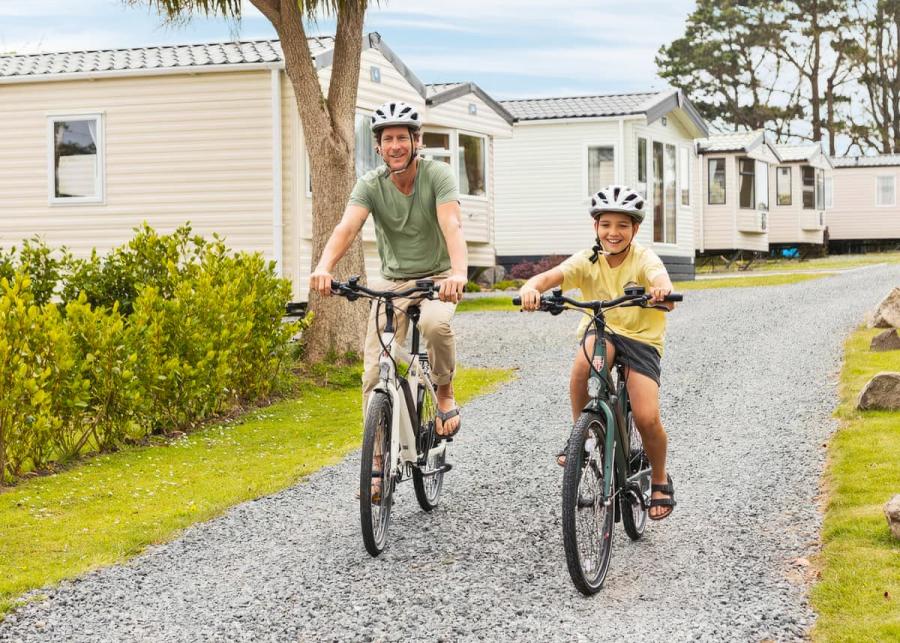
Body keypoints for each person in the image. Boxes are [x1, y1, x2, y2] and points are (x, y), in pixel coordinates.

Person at [309, 100, 467, 440]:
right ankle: (378, 459)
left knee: (434, 324)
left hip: (438, 278)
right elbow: (346, 228)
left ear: (416, 142)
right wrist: (324, 266)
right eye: (387, 140)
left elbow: (451, 224)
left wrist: (458, 273)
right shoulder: (370, 184)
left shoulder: (437, 175)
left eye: (401, 138)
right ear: (379, 147)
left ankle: (444, 392)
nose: (395, 146)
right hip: (394, 282)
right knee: (373, 371)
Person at [517, 185, 677, 520]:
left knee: (646, 417)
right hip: (603, 329)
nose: (613, 232)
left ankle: (660, 478)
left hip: (640, 337)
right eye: (606, 224)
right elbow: (553, 276)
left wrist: (662, 289)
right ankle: (583, 437)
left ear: (634, 229)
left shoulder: (643, 258)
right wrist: (532, 287)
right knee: (580, 370)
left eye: (622, 225)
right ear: (596, 227)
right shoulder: (588, 258)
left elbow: (658, 276)